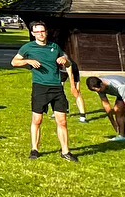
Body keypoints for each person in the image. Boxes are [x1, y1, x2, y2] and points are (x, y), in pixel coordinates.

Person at [11, 22, 78, 162]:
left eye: (42, 31)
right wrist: (28, 61)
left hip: (57, 87)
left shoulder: (54, 47)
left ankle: (65, 151)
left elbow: (68, 63)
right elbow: (14, 62)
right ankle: (35, 149)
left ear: (46, 32)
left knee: (62, 121)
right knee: (37, 120)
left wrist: (64, 61)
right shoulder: (28, 48)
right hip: (40, 87)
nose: (40, 34)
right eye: (37, 32)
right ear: (32, 33)